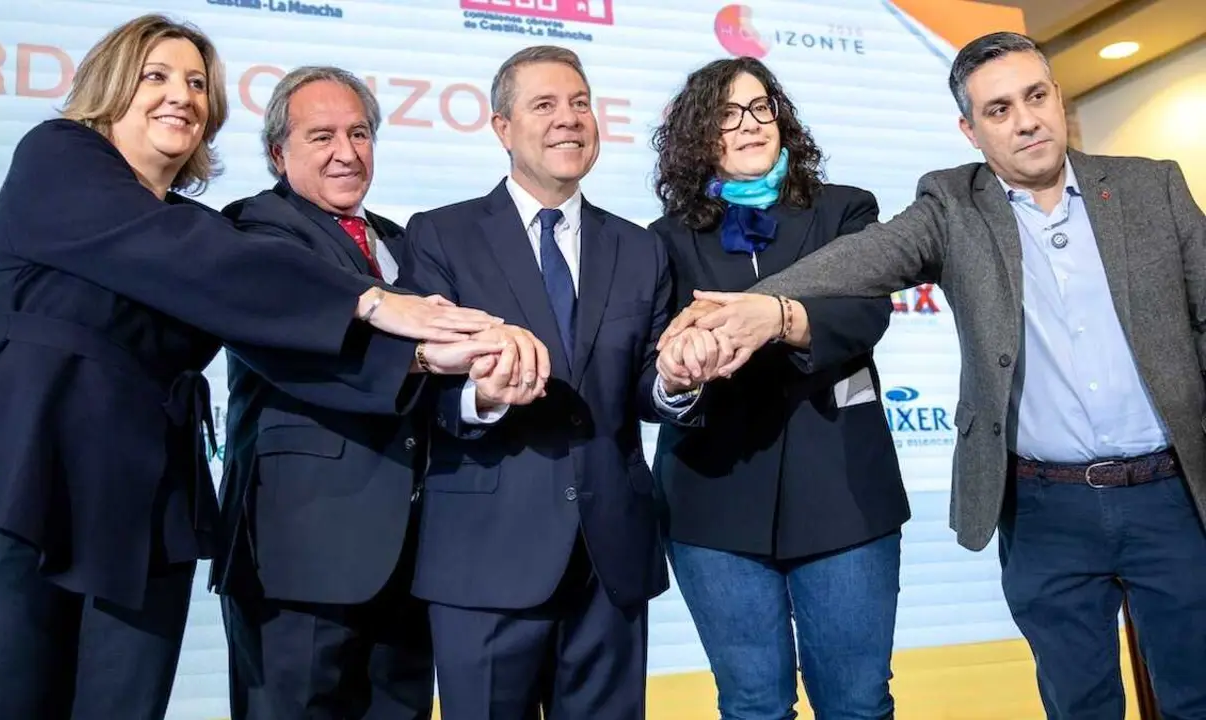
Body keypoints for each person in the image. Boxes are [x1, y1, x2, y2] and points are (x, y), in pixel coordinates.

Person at [0, 15, 502, 720]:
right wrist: (375, 303)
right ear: (111, 87)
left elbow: (270, 316)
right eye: (157, 76)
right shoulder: (58, 156)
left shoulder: (202, 226)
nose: (183, 95)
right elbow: (190, 257)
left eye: (197, 83)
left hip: (143, 514)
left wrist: (427, 351)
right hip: (13, 479)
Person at [662, 31, 1206, 718]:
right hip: (1044, 506)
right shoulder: (952, 204)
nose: (1026, 120)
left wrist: (773, 310)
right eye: (999, 109)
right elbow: (865, 261)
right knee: (1079, 703)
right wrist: (764, 310)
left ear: (1058, 99)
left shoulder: (1150, 185)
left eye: (1036, 97)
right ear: (969, 129)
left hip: (1170, 494)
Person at [211, 65, 546, 720]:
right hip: (299, 560)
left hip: (415, 557)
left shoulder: (402, 242)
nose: (346, 152)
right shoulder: (257, 232)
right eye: (322, 136)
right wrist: (423, 354)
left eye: (359, 133)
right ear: (279, 152)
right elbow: (312, 339)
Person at [396, 45, 702, 720]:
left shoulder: (640, 246)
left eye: (580, 103)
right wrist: (481, 397)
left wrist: (678, 380)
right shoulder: (440, 237)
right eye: (545, 105)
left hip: (609, 561)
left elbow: (649, 384)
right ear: (502, 127)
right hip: (484, 560)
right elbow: (413, 382)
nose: (569, 119)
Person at [647, 56, 906, 720]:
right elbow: (654, 367)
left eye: (762, 107)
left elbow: (865, 312)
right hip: (712, 504)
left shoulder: (845, 210)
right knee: (753, 704)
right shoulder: (660, 242)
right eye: (728, 114)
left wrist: (781, 318)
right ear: (700, 133)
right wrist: (679, 367)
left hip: (846, 495)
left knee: (858, 703)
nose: (751, 125)